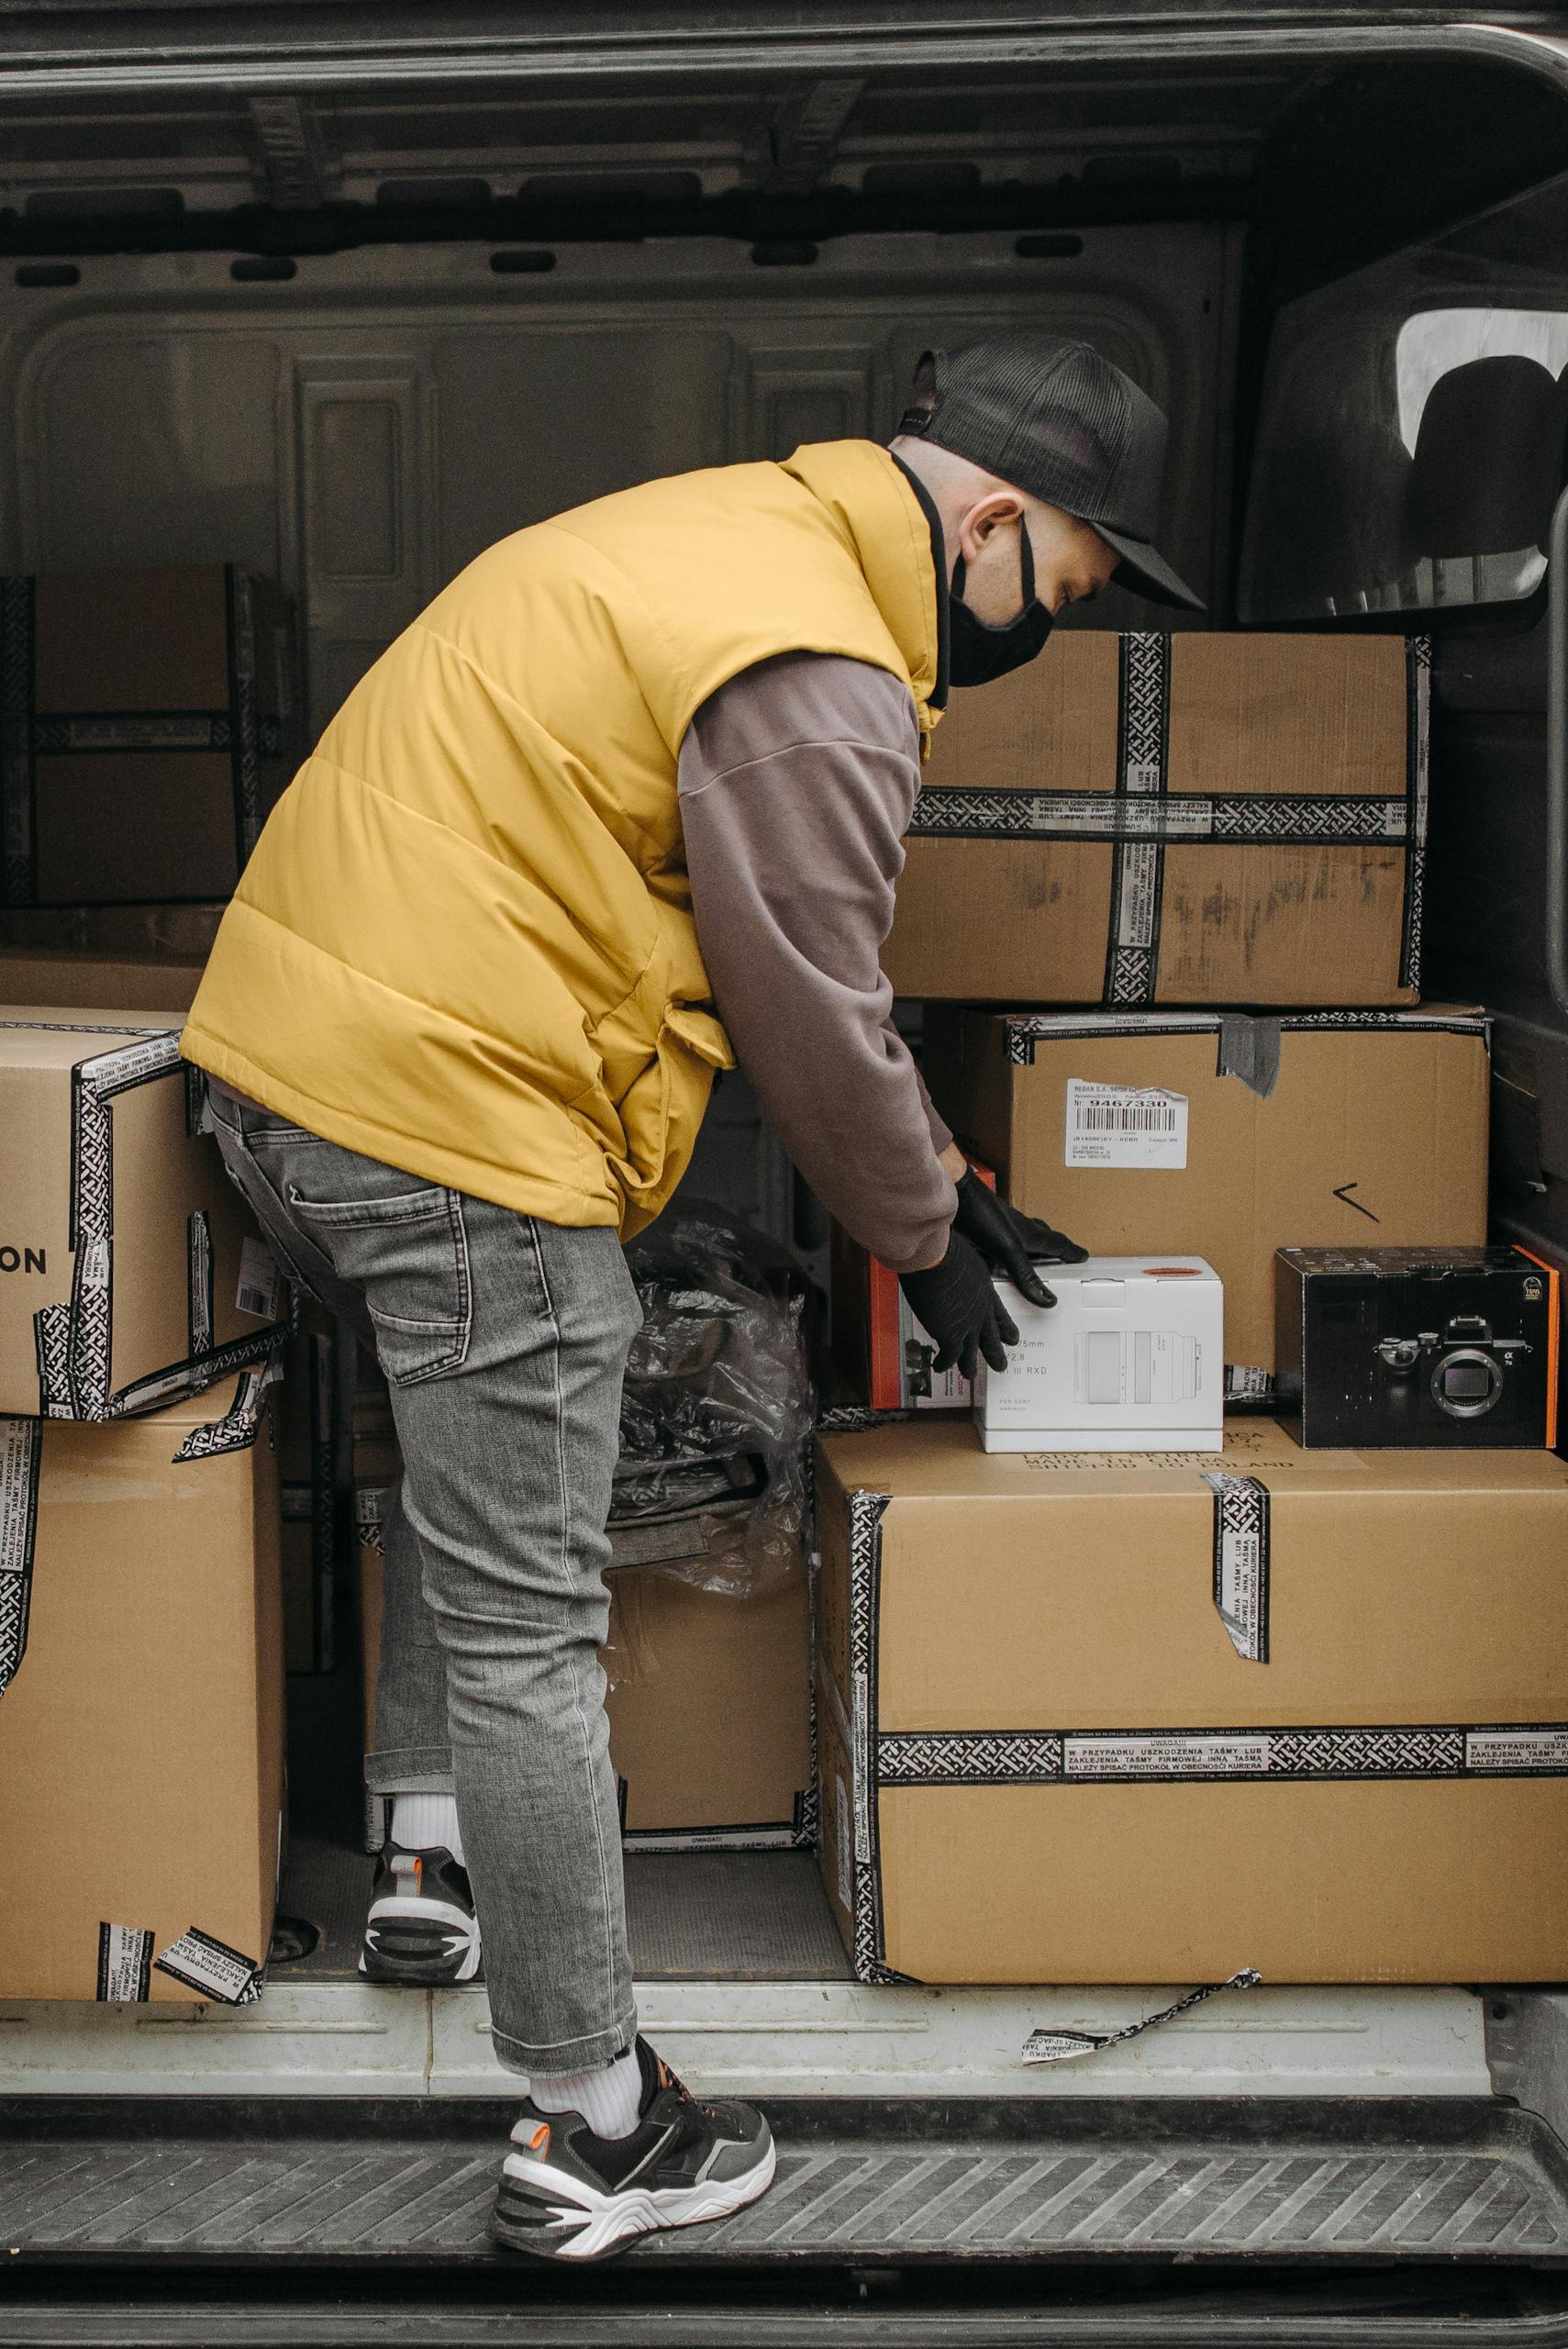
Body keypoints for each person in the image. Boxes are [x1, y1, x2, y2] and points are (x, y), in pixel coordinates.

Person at [180, 331, 1201, 2262]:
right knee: (531, 1614)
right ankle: (593, 2117)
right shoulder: (821, 667)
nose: (1039, 637)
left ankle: (425, 1839)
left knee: (455, 1459)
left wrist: (930, 1188)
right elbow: (809, 996)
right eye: (1056, 596)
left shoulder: (733, 532)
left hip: (288, 1088)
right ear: (990, 518)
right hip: (450, 1122)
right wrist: (922, 1226)